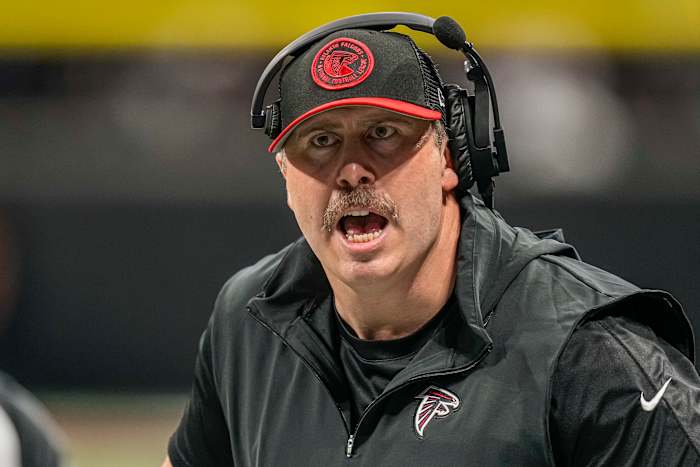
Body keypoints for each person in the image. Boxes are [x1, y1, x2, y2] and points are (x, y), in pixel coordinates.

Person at [164, 13, 700, 466]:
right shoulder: (249, 320)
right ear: (286, 177)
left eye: (383, 134)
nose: (351, 170)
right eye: (321, 141)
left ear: (450, 157)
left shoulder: (591, 353)